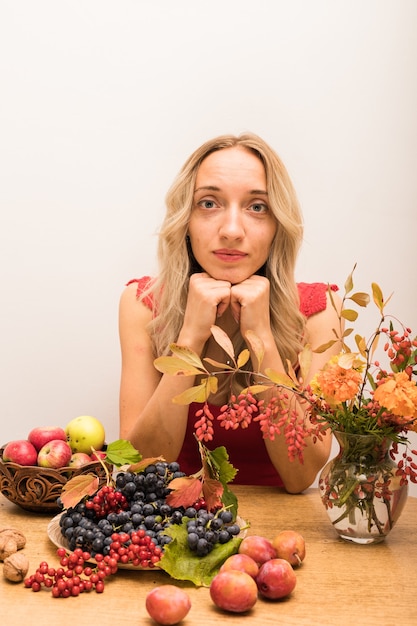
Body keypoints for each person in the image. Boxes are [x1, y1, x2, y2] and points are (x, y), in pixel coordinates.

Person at [118, 133, 341, 493]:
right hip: (177, 525)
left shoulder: (319, 313)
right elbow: (139, 469)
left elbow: (301, 478)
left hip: (286, 534)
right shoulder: (143, 304)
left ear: (276, 227)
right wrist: (189, 338)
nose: (232, 230)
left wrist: (262, 339)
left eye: (257, 207)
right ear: (185, 221)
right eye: (209, 203)